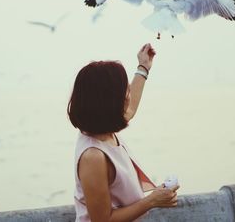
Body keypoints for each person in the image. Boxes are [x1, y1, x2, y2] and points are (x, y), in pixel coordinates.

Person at [67, 43, 179, 222]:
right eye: (124, 90)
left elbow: (131, 107)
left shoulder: (106, 131)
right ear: (108, 100)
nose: (128, 95)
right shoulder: (93, 156)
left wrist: (143, 67)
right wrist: (152, 200)